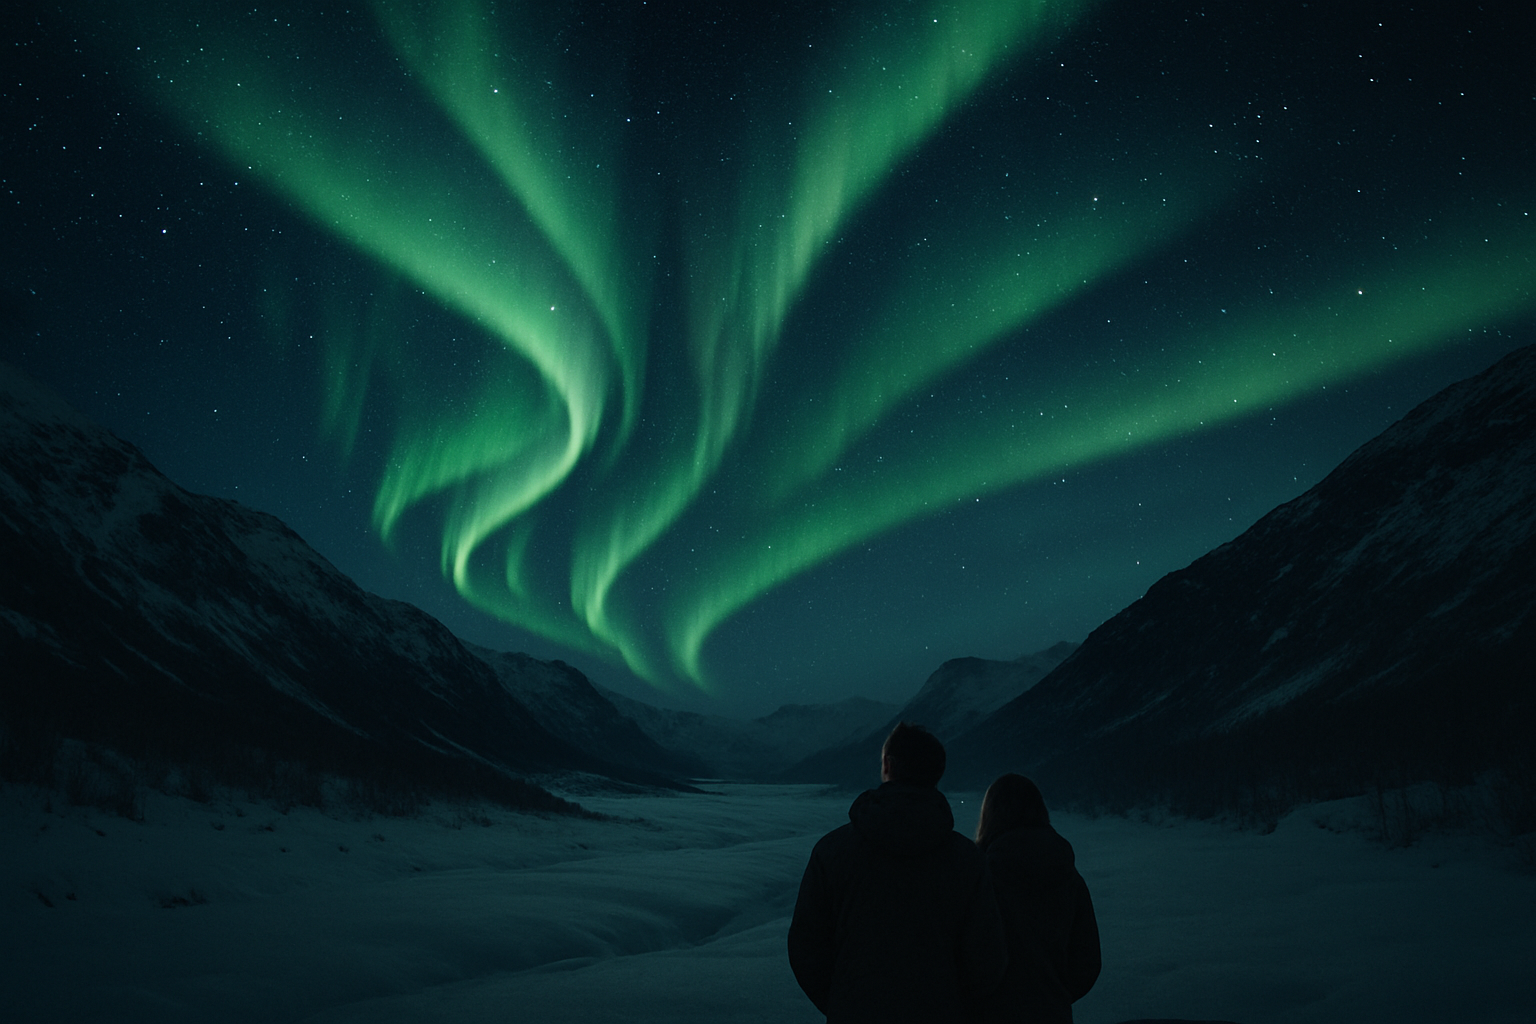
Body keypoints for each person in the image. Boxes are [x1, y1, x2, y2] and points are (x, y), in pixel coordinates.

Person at [788, 723, 1008, 1023]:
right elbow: (987, 957)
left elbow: (806, 947)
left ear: (888, 765)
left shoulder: (831, 852)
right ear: (937, 772)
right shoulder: (968, 860)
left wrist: (845, 1003)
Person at [974, 773, 1101, 1024]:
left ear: (989, 815)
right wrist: (1053, 995)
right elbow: (1088, 961)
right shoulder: (1069, 877)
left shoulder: (979, 877)